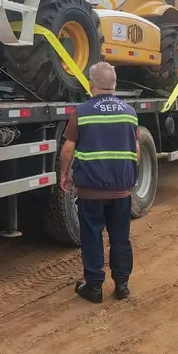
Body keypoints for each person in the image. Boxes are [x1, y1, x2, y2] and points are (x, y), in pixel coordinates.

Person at [59, 61, 139, 304]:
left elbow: (69, 147)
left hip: (91, 191)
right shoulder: (130, 112)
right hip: (121, 190)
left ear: (91, 84)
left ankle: (93, 287)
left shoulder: (82, 111)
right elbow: (135, 148)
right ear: (114, 84)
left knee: (92, 236)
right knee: (120, 237)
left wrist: (64, 173)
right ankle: (122, 285)